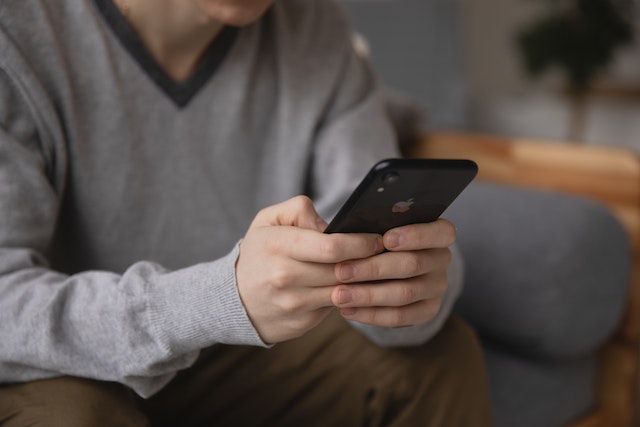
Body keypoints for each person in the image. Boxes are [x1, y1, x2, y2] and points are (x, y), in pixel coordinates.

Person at [0, 0, 492, 425]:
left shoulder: (313, 29)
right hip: (61, 366)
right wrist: (218, 299)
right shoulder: (18, 35)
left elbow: (370, 211)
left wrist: (409, 292)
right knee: (75, 418)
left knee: (439, 356)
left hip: (228, 361)